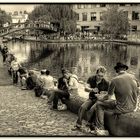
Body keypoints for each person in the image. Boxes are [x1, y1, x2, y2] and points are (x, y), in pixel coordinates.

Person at [92, 62, 140, 136]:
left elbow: (108, 97)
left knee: (99, 104)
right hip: (133, 107)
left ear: (117, 70)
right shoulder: (133, 76)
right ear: (125, 69)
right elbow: (138, 90)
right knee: (115, 101)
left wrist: (100, 97)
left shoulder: (114, 80)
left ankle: (100, 128)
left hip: (122, 108)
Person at [72, 66, 109, 131]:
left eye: (102, 76)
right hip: (91, 98)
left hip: (99, 101)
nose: (100, 77)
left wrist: (103, 94)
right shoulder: (91, 78)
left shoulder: (106, 83)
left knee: (92, 109)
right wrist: (92, 90)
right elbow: (86, 88)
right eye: (99, 75)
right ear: (96, 73)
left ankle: (88, 125)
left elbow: (108, 94)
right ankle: (78, 124)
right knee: (82, 107)